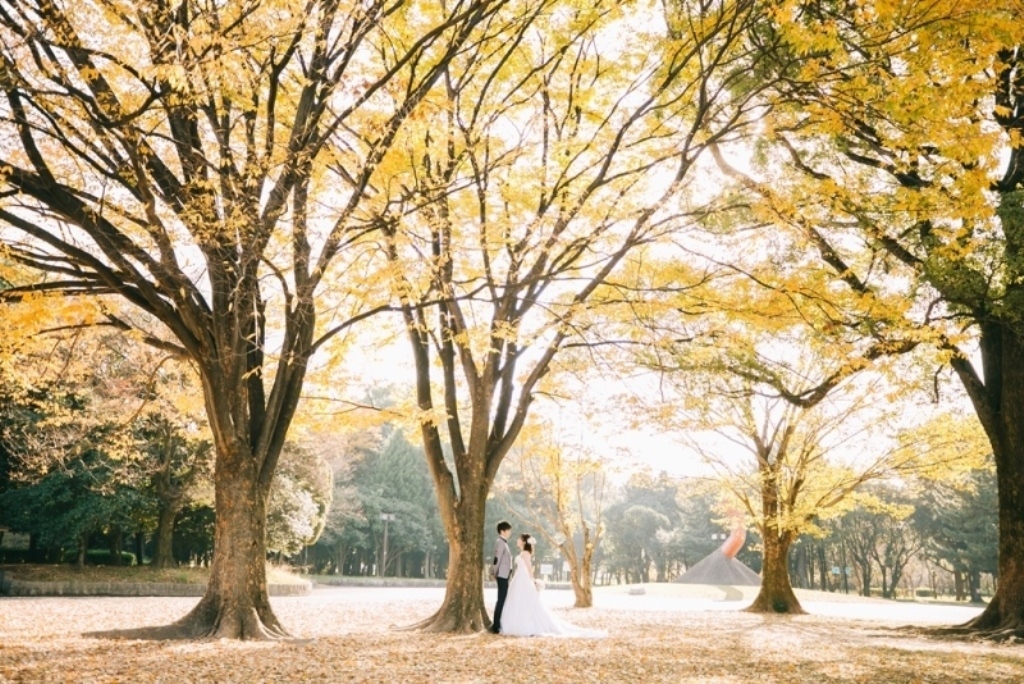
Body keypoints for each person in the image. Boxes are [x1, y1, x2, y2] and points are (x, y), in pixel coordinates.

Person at [499, 533, 606, 638]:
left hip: (523, 579)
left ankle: (523, 625)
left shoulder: (525, 553)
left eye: (519, 538)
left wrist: (533, 581)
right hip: (519, 579)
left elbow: (528, 568)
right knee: (518, 601)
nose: (517, 540)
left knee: (524, 601)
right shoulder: (524, 552)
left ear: (523, 541)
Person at [489, 521, 513, 634]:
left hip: (505, 574)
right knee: (501, 599)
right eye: (508, 530)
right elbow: (496, 559)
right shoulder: (500, 542)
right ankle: (496, 625)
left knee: (503, 599)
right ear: (502, 531)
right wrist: (494, 571)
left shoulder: (504, 542)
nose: (510, 532)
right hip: (502, 575)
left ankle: (499, 623)